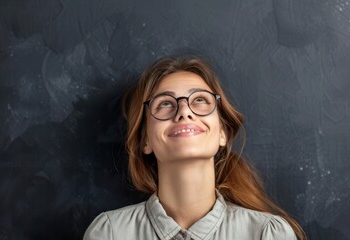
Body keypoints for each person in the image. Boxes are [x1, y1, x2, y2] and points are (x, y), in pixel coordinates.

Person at [83, 56, 307, 240]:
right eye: (165, 103)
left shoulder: (267, 234)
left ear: (222, 132)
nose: (184, 111)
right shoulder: (109, 233)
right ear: (145, 141)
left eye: (200, 100)